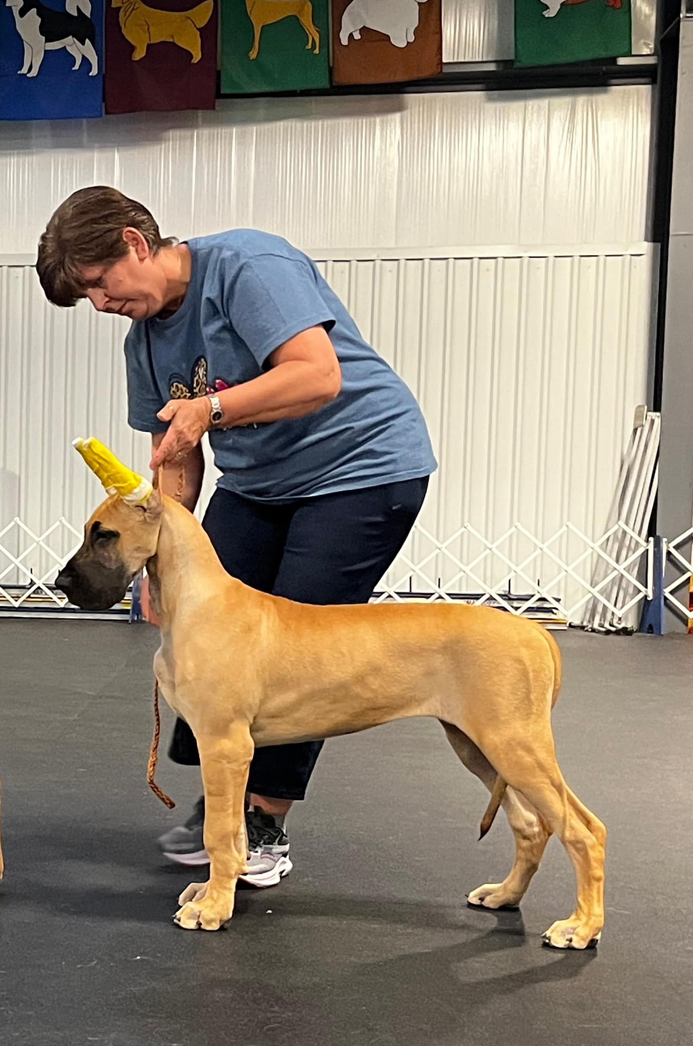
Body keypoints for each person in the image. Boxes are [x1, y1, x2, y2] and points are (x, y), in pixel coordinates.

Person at [37, 186, 437, 888]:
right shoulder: (145, 342)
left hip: (360, 469)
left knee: (303, 652)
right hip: (257, 483)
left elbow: (317, 375)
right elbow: (176, 458)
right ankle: (223, 800)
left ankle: (263, 821)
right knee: (205, 635)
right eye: (87, 297)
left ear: (135, 243)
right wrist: (155, 564)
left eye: (99, 283)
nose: (100, 304)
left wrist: (210, 407)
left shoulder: (248, 266)